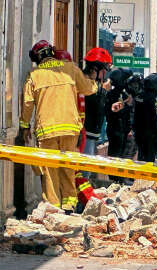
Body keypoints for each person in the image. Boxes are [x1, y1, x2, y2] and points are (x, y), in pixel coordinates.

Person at [20, 40, 101, 212]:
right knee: (68, 167)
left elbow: (27, 104)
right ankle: (69, 206)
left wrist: (24, 126)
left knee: (50, 171)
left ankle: (53, 208)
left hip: (47, 130)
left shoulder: (34, 75)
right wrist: (95, 83)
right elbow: (87, 89)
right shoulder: (70, 68)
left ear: (37, 58)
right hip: (70, 129)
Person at [82, 48, 112, 175]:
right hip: (85, 132)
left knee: (88, 167)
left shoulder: (94, 84)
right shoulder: (86, 83)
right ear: (95, 69)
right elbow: (94, 106)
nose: (105, 73)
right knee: (84, 168)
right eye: (104, 69)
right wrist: (104, 92)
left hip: (92, 133)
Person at [105, 68, 133, 183]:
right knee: (118, 154)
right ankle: (116, 178)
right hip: (118, 128)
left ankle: (116, 177)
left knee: (116, 153)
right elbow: (121, 111)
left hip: (115, 128)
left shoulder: (113, 93)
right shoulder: (119, 95)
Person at [133, 73, 157, 162]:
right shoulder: (152, 98)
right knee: (149, 160)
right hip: (150, 135)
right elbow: (154, 117)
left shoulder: (139, 96)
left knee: (141, 158)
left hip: (139, 133)